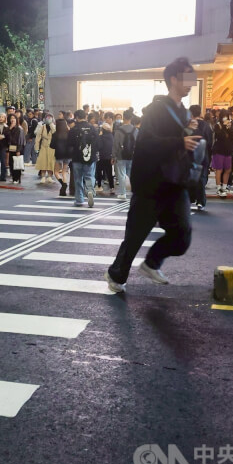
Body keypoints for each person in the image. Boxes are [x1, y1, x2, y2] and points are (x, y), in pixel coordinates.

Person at [106, 57, 201, 293]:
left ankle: (152, 262)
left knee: (182, 235)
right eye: (187, 78)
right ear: (173, 79)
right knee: (135, 236)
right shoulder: (157, 109)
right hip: (151, 184)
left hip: (175, 183)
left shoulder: (184, 111)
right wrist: (180, 140)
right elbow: (147, 142)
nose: (191, 83)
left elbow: (179, 142)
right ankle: (116, 274)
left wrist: (189, 133)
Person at [67, 109, 97, 208]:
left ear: (76, 117)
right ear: (85, 116)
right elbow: (98, 143)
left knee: (78, 178)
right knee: (89, 176)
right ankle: (89, 191)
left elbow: (69, 144)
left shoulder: (73, 129)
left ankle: (79, 199)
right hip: (90, 157)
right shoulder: (92, 128)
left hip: (77, 157)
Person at [113, 110, 137, 200]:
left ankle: (123, 193)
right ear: (131, 118)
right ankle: (135, 192)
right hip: (132, 156)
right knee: (131, 174)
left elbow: (115, 144)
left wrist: (113, 156)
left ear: (123, 117)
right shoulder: (135, 130)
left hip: (120, 155)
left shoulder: (119, 130)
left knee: (121, 175)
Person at [212, 110, 233, 197]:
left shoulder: (231, 125)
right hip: (219, 150)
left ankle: (224, 187)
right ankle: (218, 188)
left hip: (228, 150)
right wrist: (225, 127)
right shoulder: (217, 125)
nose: (227, 118)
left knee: (228, 169)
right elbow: (220, 136)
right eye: (225, 116)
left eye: (228, 116)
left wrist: (229, 128)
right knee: (219, 169)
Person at [52, 113, 71, 196]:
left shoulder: (55, 134)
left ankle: (63, 185)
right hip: (68, 154)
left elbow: (51, 145)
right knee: (64, 172)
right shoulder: (69, 133)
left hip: (59, 154)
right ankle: (64, 184)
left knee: (56, 172)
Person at [36, 112, 56, 183]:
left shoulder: (54, 126)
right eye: (47, 118)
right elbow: (38, 136)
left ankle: (50, 176)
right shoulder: (42, 126)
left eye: (50, 118)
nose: (48, 119)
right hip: (43, 146)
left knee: (51, 162)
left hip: (52, 146)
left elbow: (54, 132)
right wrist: (36, 147)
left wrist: (51, 124)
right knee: (43, 161)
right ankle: (43, 176)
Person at [96, 120, 115, 195]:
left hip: (101, 157)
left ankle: (99, 186)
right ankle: (112, 187)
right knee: (109, 173)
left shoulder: (101, 137)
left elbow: (99, 146)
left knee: (99, 171)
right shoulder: (111, 136)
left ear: (102, 129)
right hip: (109, 156)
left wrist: (99, 136)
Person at [5, 113, 25, 184]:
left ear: (16, 120)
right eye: (11, 118)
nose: (12, 120)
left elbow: (20, 140)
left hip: (17, 148)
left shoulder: (19, 129)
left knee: (17, 164)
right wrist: (10, 128)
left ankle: (17, 178)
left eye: (14, 118)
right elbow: (6, 137)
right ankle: (13, 177)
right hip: (11, 148)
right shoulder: (8, 128)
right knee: (11, 163)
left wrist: (18, 150)